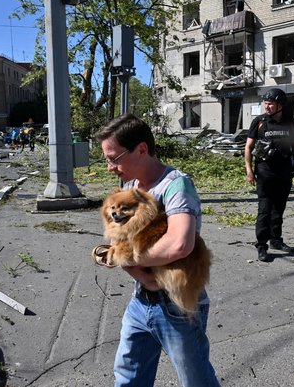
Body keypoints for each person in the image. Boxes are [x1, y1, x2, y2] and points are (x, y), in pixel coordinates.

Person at [95, 113, 219, 387]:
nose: (109, 167)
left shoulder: (176, 185)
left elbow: (179, 244)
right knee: (129, 378)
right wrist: (140, 275)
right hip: (140, 302)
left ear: (141, 149)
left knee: (197, 382)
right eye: (107, 159)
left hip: (177, 306)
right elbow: (120, 240)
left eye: (113, 158)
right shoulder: (129, 186)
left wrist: (123, 257)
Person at [244, 88, 294, 262]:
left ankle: (276, 240)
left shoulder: (292, 124)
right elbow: (248, 148)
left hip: (285, 173)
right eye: (265, 103)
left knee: (279, 209)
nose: (267, 106)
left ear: (280, 105)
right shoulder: (259, 122)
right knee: (264, 209)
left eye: (270, 103)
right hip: (265, 173)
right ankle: (262, 245)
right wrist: (249, 170)